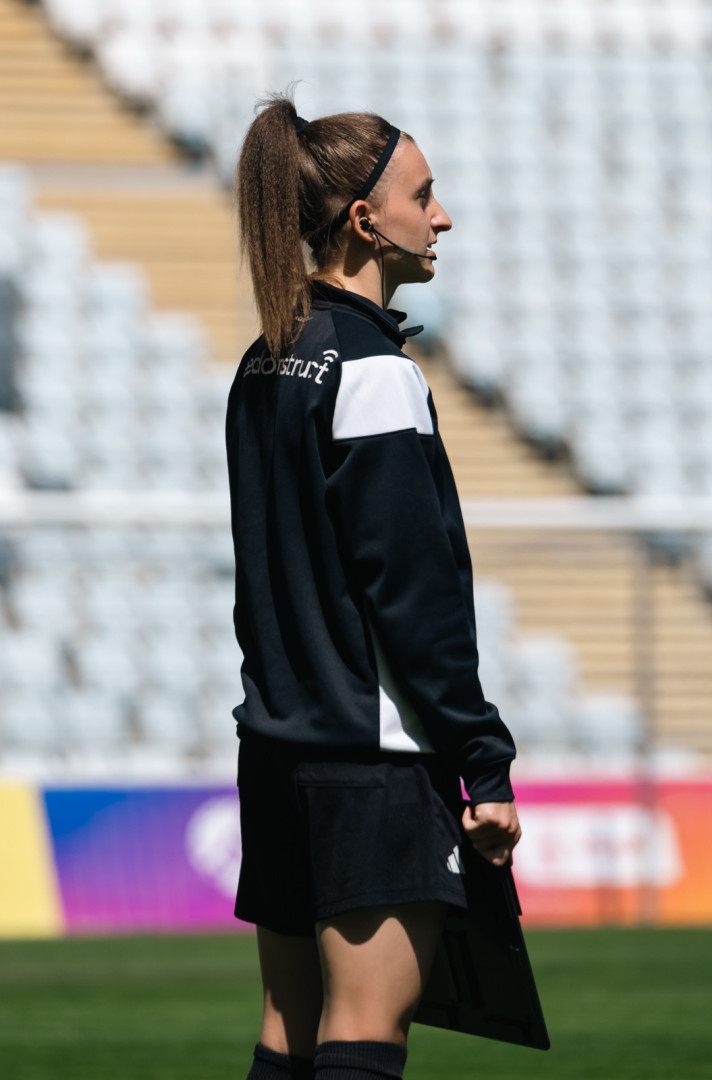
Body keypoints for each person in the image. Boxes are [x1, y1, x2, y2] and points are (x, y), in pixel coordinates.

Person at [226, 94, 521, 1080]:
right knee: (363, 1033)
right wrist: (483, 763)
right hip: (371, 760)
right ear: (364, 219)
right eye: (424, 196)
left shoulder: (264, 361)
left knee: (288, 1032)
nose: (442, 217)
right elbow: (413, 596)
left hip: (277, 750)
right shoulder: (375, 373)